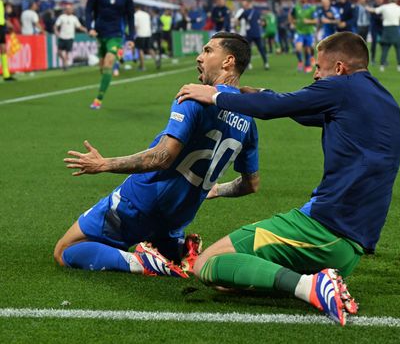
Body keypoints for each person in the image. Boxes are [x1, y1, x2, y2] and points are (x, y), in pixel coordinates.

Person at [176, 32, 400, 326]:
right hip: (349, 248)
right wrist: (260, 93)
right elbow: (298, 107)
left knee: (208, 264)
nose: (315, 75)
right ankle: (313, 280)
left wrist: (216, 96)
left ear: (339, 69)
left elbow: (276, 108)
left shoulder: (342, 88)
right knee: (231, 277)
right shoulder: (381, 99)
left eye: (319, 69)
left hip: (325, 230)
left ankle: (310, 286)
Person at [54, 32, 260, 279]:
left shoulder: (194, 95)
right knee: (157, 235)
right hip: (178, 215)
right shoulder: (249, 119)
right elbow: (251, 184)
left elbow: (163, 157)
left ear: (228, 61)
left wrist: (104, 164)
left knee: (65, 250)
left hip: (141, 202)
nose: (199, 57)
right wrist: (216, 190)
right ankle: (180, 250)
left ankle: (142, 262)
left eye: (207, 51)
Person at [85, 0, 135, 109]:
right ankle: (117, 54)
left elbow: (130, 17)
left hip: (116, 34)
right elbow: (88, 11)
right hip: (100, 34)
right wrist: (89, 28)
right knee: (102, 68)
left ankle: (98, 100)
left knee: (108, 64)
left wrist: (131, 37)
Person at [368, 0, 400, 72]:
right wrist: (399, 19)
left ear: (389, 0)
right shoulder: (399, 8)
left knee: (385, 49)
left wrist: (366, 8)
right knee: (398, 49)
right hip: (395, 29)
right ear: (396, 1)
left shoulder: (384, 7)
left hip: (386, 29)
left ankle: (382, 66)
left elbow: (374, 10)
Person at [289, 0, 317, 72]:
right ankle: (300, 62)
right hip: (299, 31)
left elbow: (316, 20)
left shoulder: (311, 8)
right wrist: (292, 22)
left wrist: (309, 21)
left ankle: (308, 63)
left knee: (308, 49)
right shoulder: (296, 7)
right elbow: (290, 15)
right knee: (298, 48)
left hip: (309, 31)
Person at [54, 3, 87, 70]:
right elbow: (56, 25)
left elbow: (79, 26)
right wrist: (56, 32)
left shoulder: (74, 18)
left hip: (70, 37)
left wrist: (85, 29)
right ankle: (64, 60)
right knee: (59, 52)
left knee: (67, 52)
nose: (70, 10)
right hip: (62, 36)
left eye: (71, 9)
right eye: (68, 9)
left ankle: (65, 65)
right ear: (66, 10)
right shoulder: (62, 17)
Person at [238, 0, 268, 70]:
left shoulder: (245, 12)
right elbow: (263, 22)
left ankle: (249, 64)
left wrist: (239, 26)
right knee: (261, 49)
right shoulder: (257, 12)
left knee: (248, 50)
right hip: (257, 33)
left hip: (249, 34)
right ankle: (266, 63)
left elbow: (238, 19)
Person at [134, 6, 158, 71]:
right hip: (148, 33)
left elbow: (135, 26)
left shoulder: (136, 15)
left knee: (140, 49)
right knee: (149, 48)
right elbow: (150, 24)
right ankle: (156, 61)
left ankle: (142, 66)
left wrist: (134, 34)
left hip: (140, 34)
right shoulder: (146, 14)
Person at [0, 0, 14, 81]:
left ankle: (6, 74)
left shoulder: (1, 2)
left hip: (1, 27)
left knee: (3, 49)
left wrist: (6, 19)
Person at [369, 0, 384, 66]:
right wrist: (381, 18)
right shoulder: (373, 7)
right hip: (374, 27)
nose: (379, 0)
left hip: (382, 27)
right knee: (374, 43)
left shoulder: (384, 7)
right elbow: (375, 17)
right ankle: (372, 59)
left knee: (383, 43)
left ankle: (383, 59)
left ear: (382, 0)